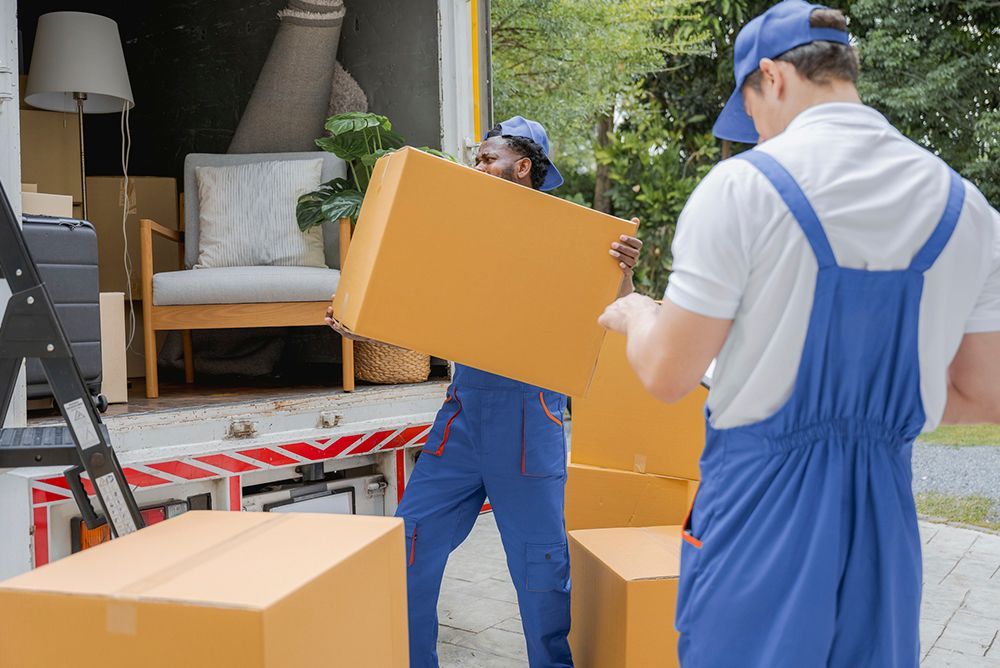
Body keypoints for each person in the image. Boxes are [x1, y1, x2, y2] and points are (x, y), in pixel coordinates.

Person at [598, 2, 1000, 666]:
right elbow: (985, 395)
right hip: (884, 516)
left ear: (772, 78)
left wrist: (637, 312)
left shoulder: (743, 191)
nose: (757, 132)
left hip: (762, 507)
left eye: (751, 111)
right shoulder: (967, 207)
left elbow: (669, 374)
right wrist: (874, 408)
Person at [327, 116, 643, 668]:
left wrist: (623, 274)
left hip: (530, 416)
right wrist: (363, 317)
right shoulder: (467, 235)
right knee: (408, 546)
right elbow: (425, 307)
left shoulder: (569, 244)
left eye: (487, 158)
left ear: (521, 168)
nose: (477, 166)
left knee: (540, 568)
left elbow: (611, 318)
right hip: (464, 414)